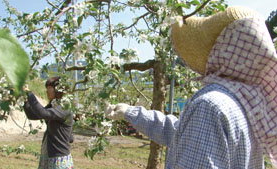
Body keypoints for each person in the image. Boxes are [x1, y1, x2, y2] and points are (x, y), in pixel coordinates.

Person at [105, 6, 277, 168]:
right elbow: (181, 133)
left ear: (221, 52)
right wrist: (129, 112)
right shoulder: (252, 105)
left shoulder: (209, 106)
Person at [23, 76, 74, 169]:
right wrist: (25, 101)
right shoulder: (53, 106)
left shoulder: (64, 107)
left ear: (59, 89)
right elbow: (33, 115)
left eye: (50, 88)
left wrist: (30, 94)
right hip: (48, 156)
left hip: (59, 158)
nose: (47, 91)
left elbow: (43, 113)